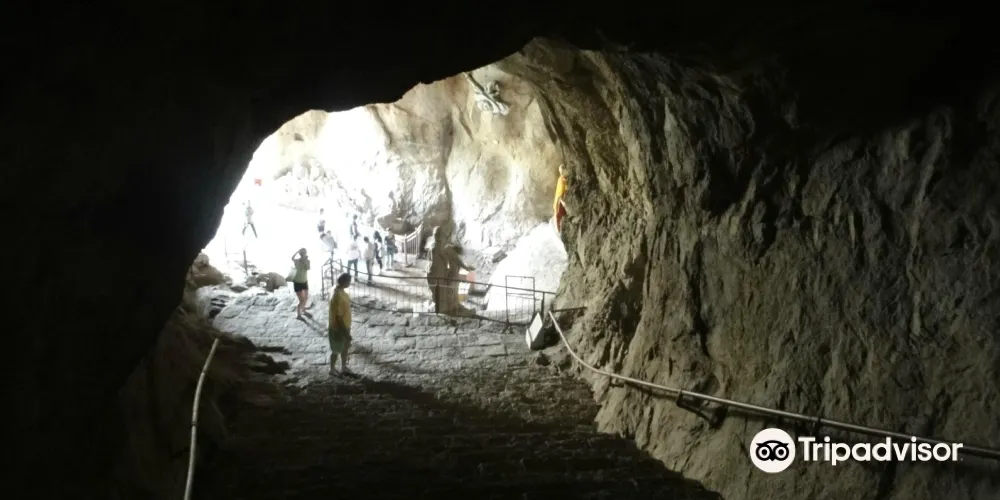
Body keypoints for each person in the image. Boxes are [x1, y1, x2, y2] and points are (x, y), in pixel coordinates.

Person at [328, 272, 354, 376]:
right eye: (349, 281)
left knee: (345, 347)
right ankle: (332, 369)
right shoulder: (337, 295)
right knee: (336, 349)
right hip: (338, 327)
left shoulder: (339, 290)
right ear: (344, 282)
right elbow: (338, 317)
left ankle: (343, 367)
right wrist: (346, 333)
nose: (350, 283)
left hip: (346, 324)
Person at [290, 248, 310, 319]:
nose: (303, 254)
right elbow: (292, 258)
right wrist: (298, 251)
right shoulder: (297, 261)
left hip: (304, 282)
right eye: (302, 253)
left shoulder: (307, 261)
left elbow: (308, 268)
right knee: (302, 300)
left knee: (306, 298)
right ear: (300, 254)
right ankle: (298, 314)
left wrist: (304, 261)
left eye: (304, 253)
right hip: (297, 283)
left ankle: (303, 309)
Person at [553, 164, 569, 232]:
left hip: (564, 198)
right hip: (559, 202)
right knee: (559, 217)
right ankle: (559, 231)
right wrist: (563, 202)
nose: (561, 173)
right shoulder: (561, 180)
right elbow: (559, 195)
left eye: (562, 172)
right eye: (560, 172)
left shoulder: (565, 178)